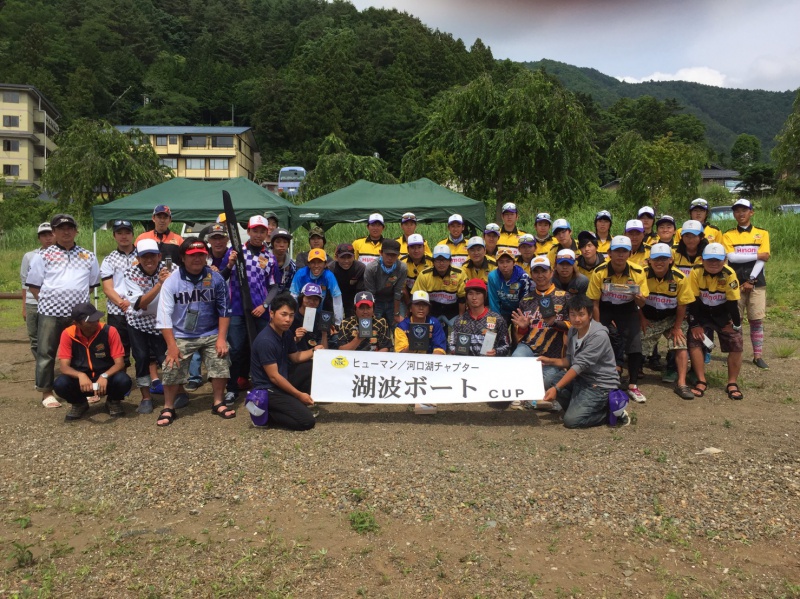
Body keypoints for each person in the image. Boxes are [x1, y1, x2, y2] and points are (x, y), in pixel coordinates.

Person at [155, 238, 234, 427]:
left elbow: (224, 310)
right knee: (171, 363)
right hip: (181, 333)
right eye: (192, 256)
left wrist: (222, 338)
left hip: (210, 331)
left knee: (221, 357)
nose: (197, 259)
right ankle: (168, 407)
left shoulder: (216, 279)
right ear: (182, 257)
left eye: (201, 255)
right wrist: (172, 346)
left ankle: (218, 402)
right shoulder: (172, 281)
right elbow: (163, 315)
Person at [26, 214, 100, 409]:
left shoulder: (88, 255)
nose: (66, 232)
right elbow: (34, 285)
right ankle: (46, 391)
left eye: (70, 228)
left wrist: (76, 300)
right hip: (50, 312)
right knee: (46, 351)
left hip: (79, 314)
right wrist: (48, 301)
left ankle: (86, 390)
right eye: (61, 228)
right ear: (54, 232)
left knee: (82, 351)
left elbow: (92, 285)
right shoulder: (42, 255)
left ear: (76, 231)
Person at [540, 294, 627, 429]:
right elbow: (570, 360)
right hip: (582, 378)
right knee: (549, 380)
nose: (577, 319)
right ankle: (578, 409)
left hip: (600, 385)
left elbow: (579, 365)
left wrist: (557, 388)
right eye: (573, 315)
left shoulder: (599, 335)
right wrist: (549, 361)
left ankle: (612, 412)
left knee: (571, 421)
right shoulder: (573, 331)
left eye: (581, 314)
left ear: (590, 315)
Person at [586, 235, 650, 404]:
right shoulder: (599, 272)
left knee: (635, 343)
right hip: (605, 307)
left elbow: (642, 303)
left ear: (629, 253)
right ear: (609, 253)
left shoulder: (638, 271)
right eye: (617, 251)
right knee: (601, 338)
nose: (620, 255)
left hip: (628, 308)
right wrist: (599, 326)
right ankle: (602, 378)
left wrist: (638, 297)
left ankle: (633, 385)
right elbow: (595, 301)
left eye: (624, 251)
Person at [226, 215, 278, 403]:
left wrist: (265, 306)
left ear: (267, 233)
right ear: (248, 231)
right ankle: (231, 387)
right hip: (238, 310)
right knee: (236, 350)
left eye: (262, 231)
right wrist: (230, 262)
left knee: (260, 349)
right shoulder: (235, 251)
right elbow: (222, 276)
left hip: (260, 311)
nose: (258, 234)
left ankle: (261, 385)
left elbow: (274, 286)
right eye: (254, 230)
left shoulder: (270, 257)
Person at [249, 293, 320, 431]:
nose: (288, 319)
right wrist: (299, 395)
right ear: (272, 314)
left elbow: (295, 357)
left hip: (282, 378)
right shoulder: (266, 341)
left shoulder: (285, 332)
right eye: (283, 314)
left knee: (312, 366)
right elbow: (274, 377)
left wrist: (315, 351)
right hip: (267, 388)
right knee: (307, 421)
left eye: (291, 315)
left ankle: (290, 404)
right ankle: (263, 412)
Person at [510, 255, 570, 410]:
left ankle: (531, 397)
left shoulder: (564, 297)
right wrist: (523, 327)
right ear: (531, 274)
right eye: (536, 271)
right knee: (516, 358)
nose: (540, 275)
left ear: (551, 272)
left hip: (553, 352)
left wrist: (555, 323)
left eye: (543, 271)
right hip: (529, 346)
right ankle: (524, 396)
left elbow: (573, 325)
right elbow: (520, 333)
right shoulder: (526, 299)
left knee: (547, 380)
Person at [686, 242, 745, 400]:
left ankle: (732, 383)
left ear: (725, 260)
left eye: (718, 260)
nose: (713, 263)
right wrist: (695, 324)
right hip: (702, 313)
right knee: (694, 340)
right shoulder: (696, 272)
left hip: (723, 314)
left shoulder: (729, 274)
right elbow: (693, 301)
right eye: (709, 259)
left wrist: (735, 324)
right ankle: (701, 380)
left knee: (736, 341)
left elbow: (733, 303)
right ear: (702, 260)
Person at [55, 303, 132, 421]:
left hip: (106, 377)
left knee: (124, 380)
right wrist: (80, 375)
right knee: (60, 384)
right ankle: (79, 403)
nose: (95, 323)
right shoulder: (68, 334)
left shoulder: (109, 331)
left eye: (96, 318)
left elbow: (120, 363)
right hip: (81, 381)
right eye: (90, 321)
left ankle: (113, 401)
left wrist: (104, 376)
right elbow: (64, 367)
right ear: (76, 323)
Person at [640, 243, 696, 400]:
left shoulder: (679, 278)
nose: (660, 262)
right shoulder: (641, 274)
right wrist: (642, 319)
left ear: (671, 260)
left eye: (664, 259)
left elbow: (682, 304)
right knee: (637, 344)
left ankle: (682, 383)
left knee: (681, 343)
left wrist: (677, 327)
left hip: (672, 318)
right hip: (649, 318)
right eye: (656, 259)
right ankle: (634, 376)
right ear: (649, 260)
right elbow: (633, 300)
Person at [121, 239, 171, 414]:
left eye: (152, 256)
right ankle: (146, 397)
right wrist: (159, 284)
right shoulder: (130, 273)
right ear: (138, 258)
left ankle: (172, 395)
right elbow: (140, 304)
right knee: (141, 358)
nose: (149, 260)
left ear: (159, 256)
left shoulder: (169, 270)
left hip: (162, 321)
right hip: (138, 322)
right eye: (144, 257)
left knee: (165, 358)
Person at [722, 198, 770, 369]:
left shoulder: (762, 233)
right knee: (736, 319)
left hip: (756, 282)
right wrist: (757, 255)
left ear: (751, 212)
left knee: (756, 320)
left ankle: (758, 356)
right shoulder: (728, 235)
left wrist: (751, 280)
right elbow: (732, 258)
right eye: (737, 210)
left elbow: (763, 260)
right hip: (735, 283)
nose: (740, 214)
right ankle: (737, 352)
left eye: (744, 210)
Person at [449, 279, 510, 411]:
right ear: (466, 297)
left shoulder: (497, 319)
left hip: (489, 368)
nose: (474, 297)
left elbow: (506, 346)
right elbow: (452, 345)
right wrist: (457, 352)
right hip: (466, 369)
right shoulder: (460, 321)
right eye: (470, 293)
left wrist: (496, 352)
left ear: (484, 295)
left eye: (478, 293)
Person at [100, 219, 137, 369]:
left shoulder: (143, 256)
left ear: (133, 235)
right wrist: (122, 303)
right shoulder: (109, 259)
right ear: (114, 236)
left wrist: (133, 303)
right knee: (119, 349)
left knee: (143, 349)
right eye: (119, 233)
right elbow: (108, 288)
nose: (124, 236)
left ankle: (149, 381)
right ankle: (123, 381)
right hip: (117, 310)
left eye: (127, 232)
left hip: (140, 309)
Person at [288, 283, 333, 396]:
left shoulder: (320, 318)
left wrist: (324, 334)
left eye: (315, 299)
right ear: (302, 298)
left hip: (313, 359)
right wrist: (295, 339)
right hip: (293, 362)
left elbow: (324, 350)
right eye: (308, 298)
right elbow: (283, 347)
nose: (312, 302)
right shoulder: (291, 318)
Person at [411, 245, 466, 333]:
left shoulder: (459, 274)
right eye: (438, 260)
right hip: (432, 310)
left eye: (444, 260)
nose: (441, 263)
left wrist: (461, 318)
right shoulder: (424, 275)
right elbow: (417, 299)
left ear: (450, 261)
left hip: (453, 310)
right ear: (433, 261)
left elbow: (462, 299)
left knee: (462, 329)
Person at [20, 222, 54, 359]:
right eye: (44, 235)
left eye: (50, 234)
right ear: (39, 238)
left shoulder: (62, 255)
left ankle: (51, 363)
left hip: (53, 304)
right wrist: (24, 307)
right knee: (34, 337)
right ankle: (41, 365)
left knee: (51, 337)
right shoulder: (30, 256)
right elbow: (24, 281)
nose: (48, 238)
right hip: (32, 302)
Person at [290, 248, 344, 324]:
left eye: (320, 262)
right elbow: (293, 295)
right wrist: (293, 315)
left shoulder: (329, 276)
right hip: (301, 312)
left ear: (325, 264)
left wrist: (338, 322)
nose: (316, 266)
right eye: (313, 262)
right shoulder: (301, 274)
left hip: (320, 313)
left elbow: (337, 298)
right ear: (308, 264)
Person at [364, 238, 407, 324]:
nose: (390, 258)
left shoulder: (402, 268)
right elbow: (370, 293)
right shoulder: (371, 268)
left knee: (399, 325)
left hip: (393, 299)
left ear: (398, 255)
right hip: (376, 299)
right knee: (375, 325)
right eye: (387, 254)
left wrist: (396, 313)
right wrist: (371, 312)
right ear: (381, 253)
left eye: (393, 255)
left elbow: (398, 291)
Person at [487, 248, 529, 326]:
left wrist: (522, 319)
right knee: (493, 329)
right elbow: (493, 302)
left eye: (508, 261)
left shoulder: (523, 277)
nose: (505, 265)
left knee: (518, 332)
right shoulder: (492, 276)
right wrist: (497, 321)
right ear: (497, 264)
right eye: (501, 262)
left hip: (519, 311)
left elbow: (525, 301)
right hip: (502, 310)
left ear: (514, 263)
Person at [329, 243, 366, 319]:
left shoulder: (360, 268)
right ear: (336, 257)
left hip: (352, 297)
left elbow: (360, 291)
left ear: (354, 257)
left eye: (349, 257)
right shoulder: (330, 269)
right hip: (334, 298)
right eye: (342, 257)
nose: (346, 261)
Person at [270, 228, 297, 295]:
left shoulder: (292, 266)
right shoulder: (264, 261)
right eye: (278, 242)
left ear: (288, 245)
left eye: (285, 242)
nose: (282, 245)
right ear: (272, 244)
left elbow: (291, 289)